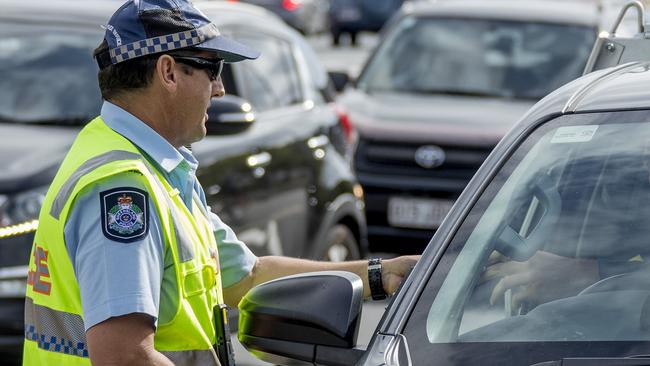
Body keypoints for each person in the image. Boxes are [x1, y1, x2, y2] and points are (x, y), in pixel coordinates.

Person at [22, 1, 419, 365]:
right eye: (213, 68)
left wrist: (380, 273)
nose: (220, 88)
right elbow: (125, 357)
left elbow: (248, 275)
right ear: (168, 72)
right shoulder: (125, 190)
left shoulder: (143, 164)